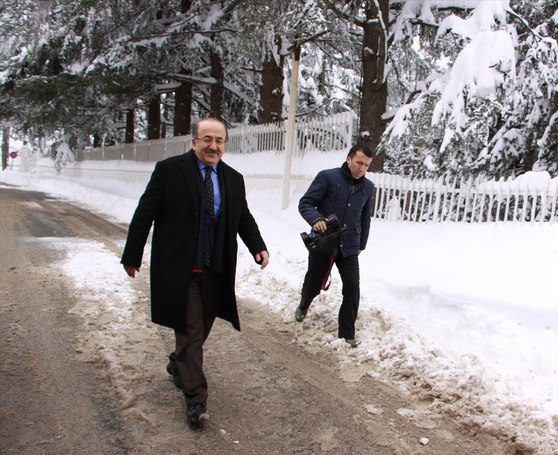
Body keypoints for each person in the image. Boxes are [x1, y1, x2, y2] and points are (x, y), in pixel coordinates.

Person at [121, 116, 269, 427]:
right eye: (207, 140)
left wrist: (258, 246)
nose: (213, 146)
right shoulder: (170, 171)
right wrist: (132, 254)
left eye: (219, 141)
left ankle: (177, 363)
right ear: (194, 142)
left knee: (201, 328)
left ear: (224, 145)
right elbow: (145, 212)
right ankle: (196, 399)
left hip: (216, 268)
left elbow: (242, 216)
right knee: (189, 331)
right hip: (180, 268)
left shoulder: (233, 178)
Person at [294, 144, 375, 348]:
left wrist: (361, 244)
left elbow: (365, 218)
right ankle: (304, 304)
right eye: (358, 163)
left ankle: (347, 332)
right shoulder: (328, 177)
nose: (361, 168)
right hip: (324, 242)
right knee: (313, 282)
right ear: (349, 159)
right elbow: (305, 203)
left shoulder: (368, 187)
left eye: (366, 165)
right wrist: (316, 219)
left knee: (353, 287)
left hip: (349, 246)